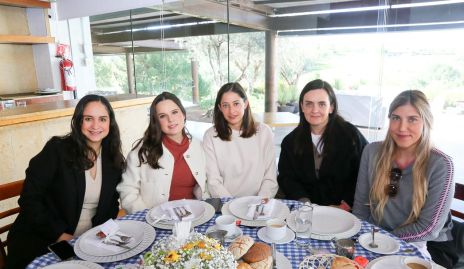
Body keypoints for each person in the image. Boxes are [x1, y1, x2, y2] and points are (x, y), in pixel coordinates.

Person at [6, 95, 126, 269]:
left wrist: (99, 234)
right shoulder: (57, 150)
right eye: (88, 119)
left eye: (102, 119)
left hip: (86, 241)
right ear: (78, 122)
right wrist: (60, 235)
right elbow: (29, 199)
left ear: (110, 123)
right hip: (44, 240)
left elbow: (110, 204)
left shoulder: (112, 159)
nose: (95, 126)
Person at [352, 90, 456, 267]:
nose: (401, 127)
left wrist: (385, 240)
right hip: (370, 239)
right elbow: (361, 207)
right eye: (396, 118)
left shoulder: (441, 164)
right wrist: (365, 239)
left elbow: (428, 228)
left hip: (412, 245)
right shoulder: (371, 152)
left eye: (412, 119)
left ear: (426, 122)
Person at [277, 79, 367, 209]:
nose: (315, 110)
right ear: (302, 107)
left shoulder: (351, 136)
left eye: (322, 104)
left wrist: (345, 205)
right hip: (304, 210)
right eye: (309, 104)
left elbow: (364, 174)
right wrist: (304, 203)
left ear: (331, 107)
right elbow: (287, 178)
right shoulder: (290, 141)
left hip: (343, 210)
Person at [117, 92, 208, 214]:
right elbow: (127, 191)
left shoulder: (199, 146)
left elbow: (205, 185)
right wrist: (147, 216)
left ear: (183, 114)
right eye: (162, 116)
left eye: (174, 112)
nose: (170, 119)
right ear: (156, 121)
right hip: (154, 220)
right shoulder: (141, 152)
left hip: (194, 215)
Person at [203, 82, 278, 198]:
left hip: (259, 205)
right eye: (225, 105)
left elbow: (270, 177)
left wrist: (259, 205)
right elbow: (213, 182)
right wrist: (232, 206)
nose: (231, 111)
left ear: (246, 103)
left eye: (236, 104)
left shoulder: (264, 132)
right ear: (220, 108)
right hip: (226, 205)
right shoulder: (210, 136)